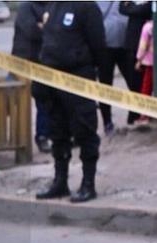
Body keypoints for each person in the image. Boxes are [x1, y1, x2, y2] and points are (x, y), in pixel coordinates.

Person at [34, 1, 106, 203]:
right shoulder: (53, 5)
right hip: (52, 81)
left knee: (85, 132)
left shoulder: (86, 7)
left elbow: (99, 46)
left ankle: (88, 184)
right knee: (58, 132)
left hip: (78, 80)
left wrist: (98, 78)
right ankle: (60, 181)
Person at [12, 1, 52, 152]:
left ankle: (43, 136)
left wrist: (44, 26)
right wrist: (46, 28)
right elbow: (31, 30)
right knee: (11, 102)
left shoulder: (52, 6)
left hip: (43, 62)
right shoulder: (25, 7)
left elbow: (58, 30)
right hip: (21, 63)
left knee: (44, 102)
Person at [96, 1, 135, 135]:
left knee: (133, 82)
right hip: (105, 47)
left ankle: (134, 115)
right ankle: (107, 122)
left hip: (125, 45)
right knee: (105, 86)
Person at [119, 1, 153, 124]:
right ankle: (134, 113)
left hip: (147, 46)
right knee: (133, 82)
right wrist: (135, 8)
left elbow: (145, 9)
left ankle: (144, 113)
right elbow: (122, 8)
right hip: (131, 44)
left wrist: (132, 7)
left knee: (145, 82)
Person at [134, 19, 154, 124]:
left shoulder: (147, 27)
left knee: (146, 88)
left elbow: (143, 45)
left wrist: (139, 60)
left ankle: (144, 115)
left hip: (150, 62)